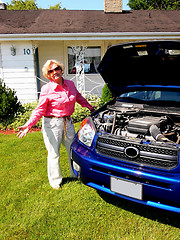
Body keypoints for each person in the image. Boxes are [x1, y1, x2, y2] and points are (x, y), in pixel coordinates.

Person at [17, 59, 96, 190]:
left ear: (61, 69)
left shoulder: (70, 84)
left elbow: (78, 97)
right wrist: (29, 124)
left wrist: (89, 107)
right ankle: (55, 181)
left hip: (68, 122)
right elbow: (40, 109)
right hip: (52, 124)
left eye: (56, 68)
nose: (54, 72)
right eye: (51, 71)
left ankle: (75, 174)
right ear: (48, 75)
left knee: (73, 149)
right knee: (54, 153)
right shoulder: (46, 89)